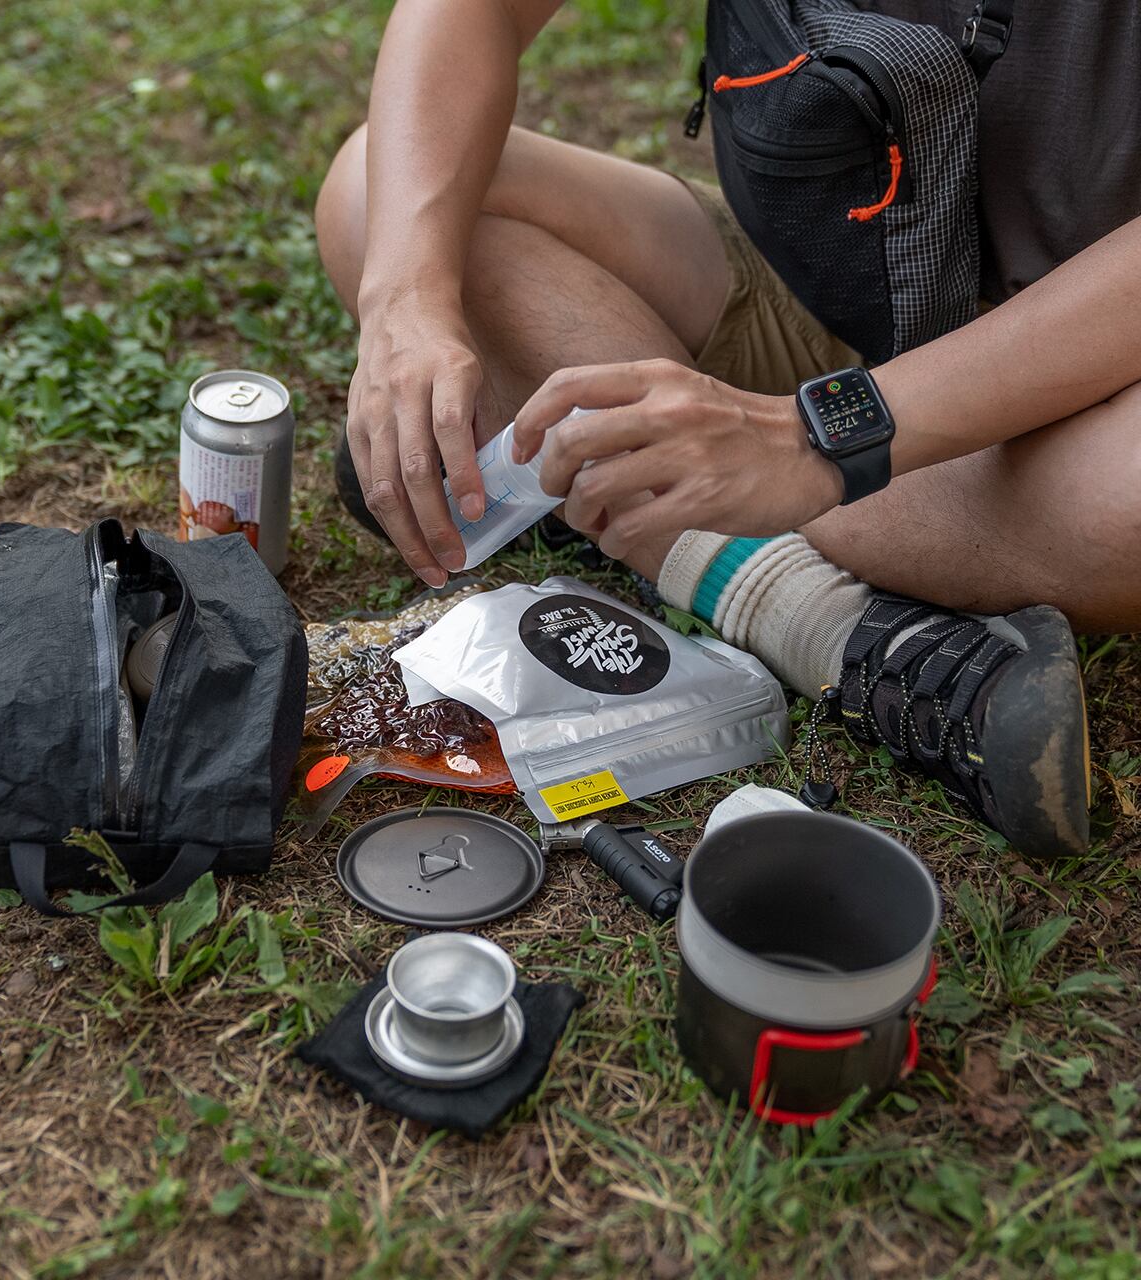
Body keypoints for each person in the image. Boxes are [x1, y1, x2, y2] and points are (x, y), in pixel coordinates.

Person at [312, 0, 1141, 859]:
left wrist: (811, 439)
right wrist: (408, 302)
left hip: (1075, 380)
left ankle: (626, 504)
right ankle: (823, 619)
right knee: (382, 189)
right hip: (830, 292)